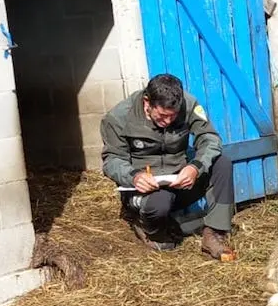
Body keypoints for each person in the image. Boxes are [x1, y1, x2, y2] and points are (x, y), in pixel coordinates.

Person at [99, 73, 234, 258]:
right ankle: (147, 225)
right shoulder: (119, 118)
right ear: (147, 102)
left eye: (173, 116)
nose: (168, 121)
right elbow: (111, 160)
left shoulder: (188, 104)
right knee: (159, 203)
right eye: (162, 116)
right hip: (144, 188)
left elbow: (210, 138)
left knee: (222, 164)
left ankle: (214, 234)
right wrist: (134, 176)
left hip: (180, 179)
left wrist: (195, 167)